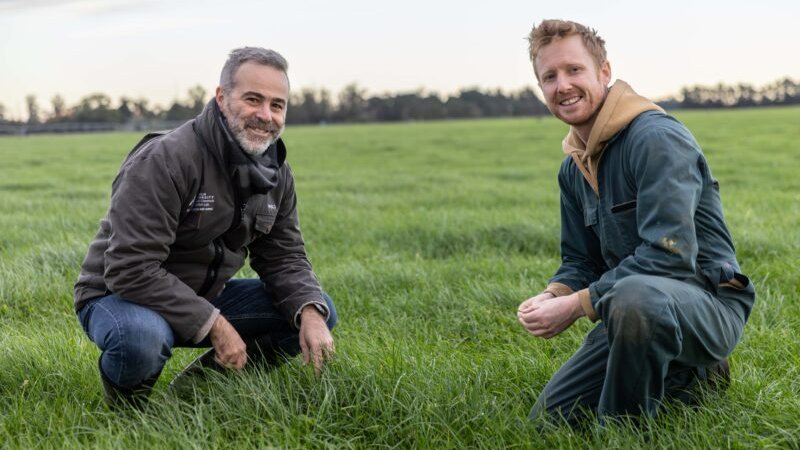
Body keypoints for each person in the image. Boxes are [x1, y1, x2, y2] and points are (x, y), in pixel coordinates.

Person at [516, 20, 755, 426]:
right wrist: (554, 294)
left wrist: (576, 306)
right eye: (549, 77)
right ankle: (684, 377)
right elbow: (580, 260)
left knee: (635, 296)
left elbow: (670, 256)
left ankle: (627, 429)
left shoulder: (655, 138)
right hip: (631, 309)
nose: (563, 86)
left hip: (706, 304)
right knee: (551, 421)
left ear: (604, 73)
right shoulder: (572, 169)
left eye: (574, 70)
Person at [74, 47, 337, 407]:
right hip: (119, 295)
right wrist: (214, 323)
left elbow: (283, 255)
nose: (266, 115)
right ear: (221, 97)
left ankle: (190, 396)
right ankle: (126, 414)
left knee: (315, 310)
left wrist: (309, 310)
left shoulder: (276, 171)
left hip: (202, 293)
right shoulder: (166, 158)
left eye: (277, 105)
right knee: (141, 337)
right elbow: (129, 269)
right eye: (253, 99)